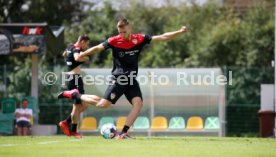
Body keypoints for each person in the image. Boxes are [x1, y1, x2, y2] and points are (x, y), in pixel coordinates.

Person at [58, 18, 188, 139]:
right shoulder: (114, 40)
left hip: (131, 79)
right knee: (103, 104)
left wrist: (180, 32)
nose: (122, 34)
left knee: (138, 104)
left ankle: (123, 132)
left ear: (129, 28)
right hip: (119, 79)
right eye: (120, 32)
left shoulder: (140, 39)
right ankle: (75, 94)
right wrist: (83, 53)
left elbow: (162, 37)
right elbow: (98, 48)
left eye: (124, 31)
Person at [58, 35, 100, 137]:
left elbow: (64, 54)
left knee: (84, 105)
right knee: (77, 106)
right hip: (74, 79)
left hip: (74, 78)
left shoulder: (70, 46)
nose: (86, 46)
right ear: (82, 41)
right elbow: (77, 57)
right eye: (86, 44)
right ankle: (73, 131)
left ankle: (66, 122)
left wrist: (70, 61)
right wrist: (86, 58)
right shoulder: (76, 48)